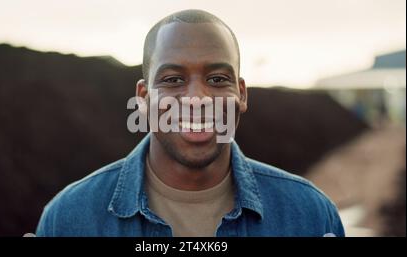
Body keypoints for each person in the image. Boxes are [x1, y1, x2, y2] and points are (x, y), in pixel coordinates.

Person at [35, 9, 344, 237]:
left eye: (217, 79)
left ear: (241, 93)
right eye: (173, 79)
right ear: (143, 98)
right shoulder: (69, 220)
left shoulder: (311, 217)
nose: (197, 98)